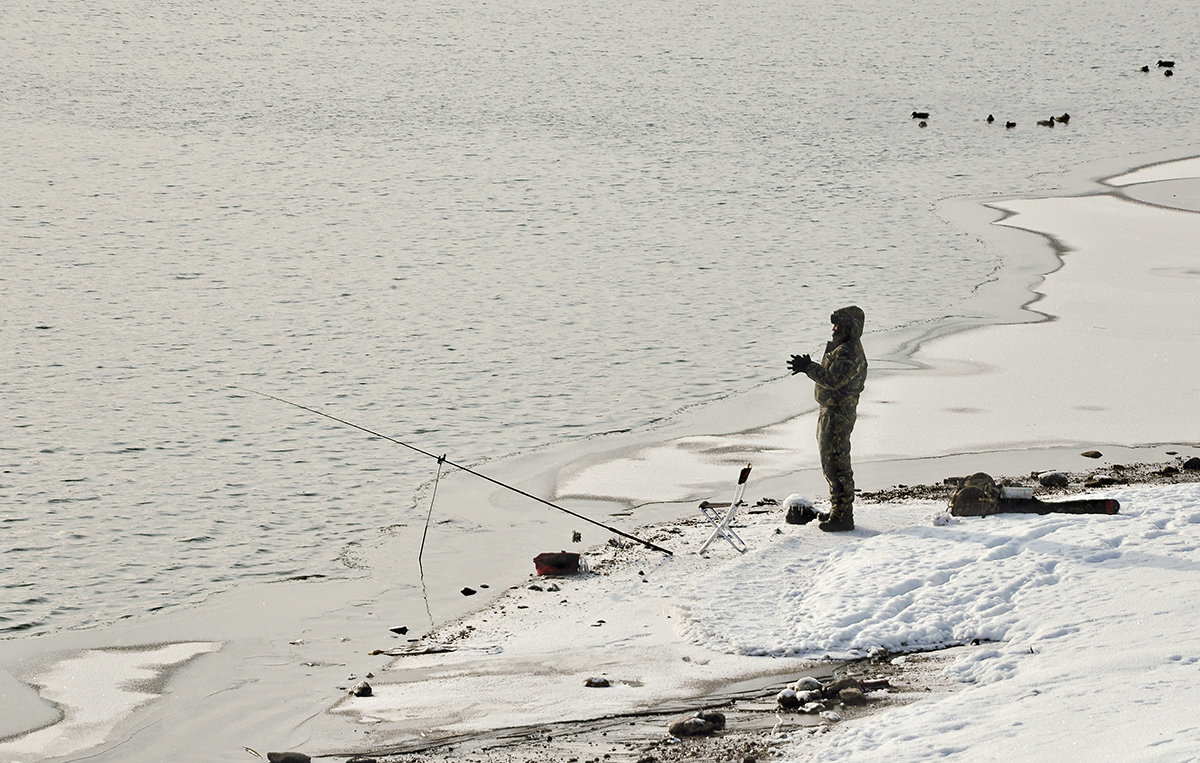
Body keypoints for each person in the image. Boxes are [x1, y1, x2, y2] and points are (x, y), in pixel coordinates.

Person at [788, 306, 867, 531]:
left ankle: (842, 516)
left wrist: (808, 367)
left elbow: (832, 380)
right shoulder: (842, 348)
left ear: (849, 328)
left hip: (838, 415)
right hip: (832, 412)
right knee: (831, 464)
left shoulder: (849, 352)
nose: (833, 329)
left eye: (838, 325)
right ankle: (838, 511)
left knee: (836, 465)